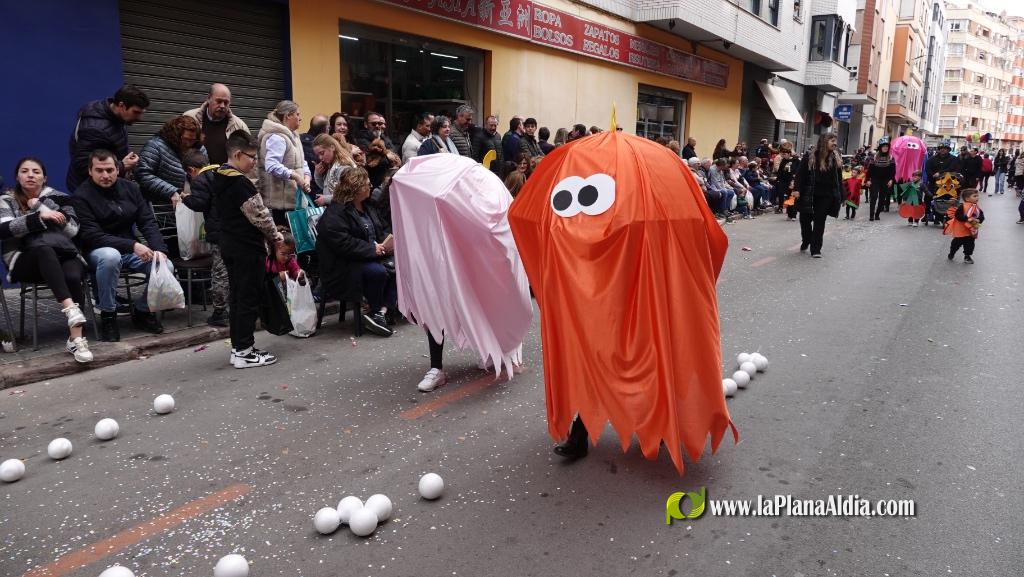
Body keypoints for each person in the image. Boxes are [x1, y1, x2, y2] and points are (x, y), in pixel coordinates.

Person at [1, 158, 93, 362]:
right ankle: (71, 309)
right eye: (25, 171)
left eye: (36, 171)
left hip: (64, 253)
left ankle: (76, 340)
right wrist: (41, 217)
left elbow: (72, 230)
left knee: (72, 273)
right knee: (43, 250)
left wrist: (42, 206)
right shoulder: (6, 200)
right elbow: (4, 230)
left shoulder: (60, 197)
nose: (31, 175)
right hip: (24, 261)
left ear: (45, 177)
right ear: (17, 176)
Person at [73, 150, 170, 341]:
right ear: (90, 171)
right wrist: (133, 245)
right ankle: (108, 316)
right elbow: (93, 236)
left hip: (129, 249)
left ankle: (142, 311)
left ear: (117, 169)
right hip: (97, 252)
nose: (105, 175)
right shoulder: (81, 196)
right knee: (111, 257)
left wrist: (159, 249)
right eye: (99, 170)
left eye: (109, 170)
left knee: (165, 265)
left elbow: (147, 222)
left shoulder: (131, 188)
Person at [212, 131, 285, 368]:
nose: (255, 162)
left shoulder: (218, 176)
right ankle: (244, 351)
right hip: (247, 248)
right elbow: (260, 216)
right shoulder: (239, 182)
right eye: (252, 157)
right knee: (248, 299)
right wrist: (276, 237)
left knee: (238, 298)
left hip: (229, 245)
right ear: (237, 154)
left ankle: (239, 348)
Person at [314, 167, 396, 338]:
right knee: (378, 272)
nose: (371, 186)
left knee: (400, 265)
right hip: (344, 264)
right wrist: (371, 249)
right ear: (356, 189)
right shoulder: (335, 214)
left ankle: (381, 310)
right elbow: (344, 244)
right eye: (367, 185)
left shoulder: (368, 206)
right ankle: (375, 310)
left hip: (368, 255)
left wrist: (388, 241)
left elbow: (380, 228)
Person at [66, 85, 149, 192]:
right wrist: (123, 165)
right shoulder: (95, 128)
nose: (140, 118)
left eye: (142, 113)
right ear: (121, 105)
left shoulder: (115, 116)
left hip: (106, 186)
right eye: (136, 112)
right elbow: (82, 164)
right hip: (91, 191)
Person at [180, 150, 229, 327]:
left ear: (192, 169)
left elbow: (200, 203)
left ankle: (220, 312)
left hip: (219, 233)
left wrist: (186, 198)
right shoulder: (223, 171)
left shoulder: (201, 179)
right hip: (234, 230)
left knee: (220, 272)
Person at [257, 100, 311, 225]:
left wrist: (307, 178)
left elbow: (301, 161)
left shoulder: (294, 136)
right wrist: (296, 176)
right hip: (282, 205)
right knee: (287, 241)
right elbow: (271, 165)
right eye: (297, 114)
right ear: (288, 116)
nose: (300, 118)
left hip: (294, 200)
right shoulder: (277, 137)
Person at [793, 133, 843, 258]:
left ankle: (816, 249)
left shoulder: (835, 157)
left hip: (826, 195)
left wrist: (842, 195)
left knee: (820, 222)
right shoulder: (809, 156)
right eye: (832, 140)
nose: (835, 143)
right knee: (805, 220)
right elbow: (800, 174)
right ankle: (806, 239)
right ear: (824, 141)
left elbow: (839, 179)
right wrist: (797, 189)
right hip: (808, 194)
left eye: (835, 140)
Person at [136, 115, 201, 205]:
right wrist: (171, 191)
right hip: (160, 207)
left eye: (193, 140)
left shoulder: (199, 148)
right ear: (175, 135)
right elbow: (143, 174)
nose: (188, 144)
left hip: (190, 207)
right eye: (186, 139)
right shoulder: (155, 146)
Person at [183, 83, 249, 165]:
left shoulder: (239, 126)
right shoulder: (190, 118)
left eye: (226, 102)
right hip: (194, 175)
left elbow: (249, 156)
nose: (222, 106)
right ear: (209, 98)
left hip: (226, 176)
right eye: (219, 101)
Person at [312, 133, 356, 206]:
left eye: (322, 153)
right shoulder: (332, 164)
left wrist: (326, 199)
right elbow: (326, 187)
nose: (320, 158)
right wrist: (317, 174)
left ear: (332, 147)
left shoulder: (343, 167)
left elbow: (349, 194)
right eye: (318, 155)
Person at [945, 188, 984, 264]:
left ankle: (967, 256)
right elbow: (957, 216)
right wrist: (967, 219)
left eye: (977, 196)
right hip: (961, 230)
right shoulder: (962, 206)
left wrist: (979, 220)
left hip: (971, 230)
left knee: (970, 244)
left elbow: (981, 215)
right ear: (967, 198)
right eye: (975, 196)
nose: (977, 198)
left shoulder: (976, 207)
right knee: (956, 243)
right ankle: (952, 253)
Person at [300, 115, 329, 196]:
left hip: (302, 187)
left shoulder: (298, 139)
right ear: (325, 129)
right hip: (317, 190)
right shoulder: (322, 146)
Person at [865, 141, 895, 221]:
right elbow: (870, 170)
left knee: (882, 198)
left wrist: (891, 180)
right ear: (880, 147)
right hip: (875, 179)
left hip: (885, 180)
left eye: (887, 146)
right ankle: (871, 215)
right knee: (873, 197)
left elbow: (893, 171)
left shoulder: (891, 157)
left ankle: (877, 214)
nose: (885, 148)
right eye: (884, 146)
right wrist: (867, 179)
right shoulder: (874, 157)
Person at [776, 146, 799, 219]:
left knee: (792, 197)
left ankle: (793, 214)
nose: (784, 156)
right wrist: (778, 179)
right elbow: (780, 170)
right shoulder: (783, 160)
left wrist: (795, 180)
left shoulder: (796, 160)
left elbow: (798, 171)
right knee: (786, 196)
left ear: (789, 154)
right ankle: (789, 214)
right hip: (784, 181)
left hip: (793, 181)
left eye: (785, 154)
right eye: (783, 154)